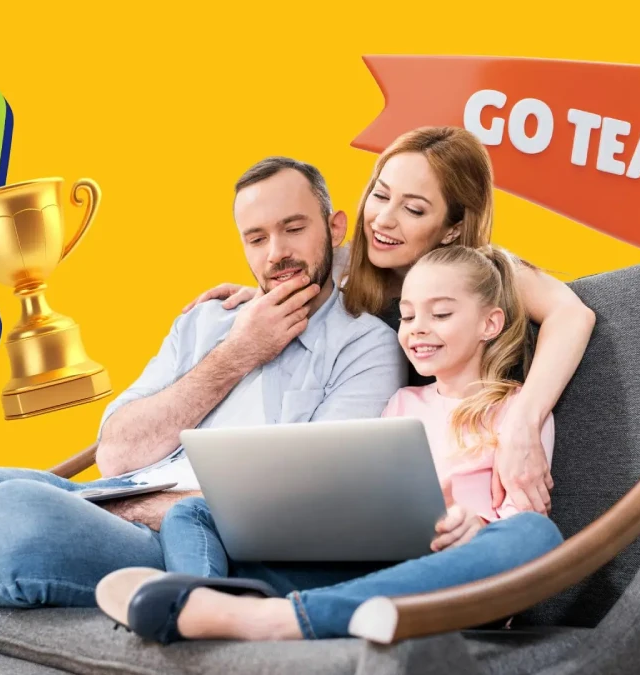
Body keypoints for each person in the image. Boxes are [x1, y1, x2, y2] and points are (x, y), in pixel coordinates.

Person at [0, 156, 408, 675]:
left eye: (293, 228)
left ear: (333, 228)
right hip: (108, 497)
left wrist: (137, 507)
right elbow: (116, 452)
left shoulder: (364, 347)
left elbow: (311, 504)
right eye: (256, 238)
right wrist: (237, 353)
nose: (276, 254)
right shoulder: (211, 323)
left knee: (9, 521)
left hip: (186, 540)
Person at [96, 244, 564, 643]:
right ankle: (208, 601)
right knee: (193, 510)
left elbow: (522, 523)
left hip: (456, 585)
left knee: (538, 537)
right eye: (406, 315)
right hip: (367, 571)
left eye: (440, 314)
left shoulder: (520, 411)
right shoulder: (402, 400)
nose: (417, 327)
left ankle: (261, 617)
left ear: (490, 323)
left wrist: (476, 528)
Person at [183, 126, 595, 520]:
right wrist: (261, 293)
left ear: (453, 229)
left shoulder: (483, 273)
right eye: (380, 195)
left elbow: (572, 314)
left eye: (414, 209)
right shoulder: (346, 264)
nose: (383, 220)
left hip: (466, 480)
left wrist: (524, 422)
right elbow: (296, 264)